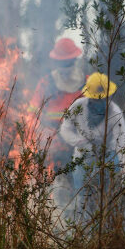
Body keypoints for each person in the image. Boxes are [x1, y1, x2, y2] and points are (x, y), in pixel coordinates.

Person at [59, 72, 125, 214]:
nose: (98, 102)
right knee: (82, 199)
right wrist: (80, 141)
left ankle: (106, 226)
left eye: (101, 99)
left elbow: (121, 142)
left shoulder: (115, 113)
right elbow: (65, 129)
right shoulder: (77, 107)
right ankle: (82, 226)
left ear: (107, 96)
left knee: (107, 200)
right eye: (94, 99)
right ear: (88, 96)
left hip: (107, 159)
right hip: (82, 159)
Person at [29, 37, 85, 167]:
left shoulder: (87, 83)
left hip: (78, 144)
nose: (65, 67)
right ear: (55, 62)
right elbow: (31, 114)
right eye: (62, 63)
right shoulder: (46, 83)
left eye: (68, 62)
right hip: (51, 144)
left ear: (75, 60)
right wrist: (40, 133)